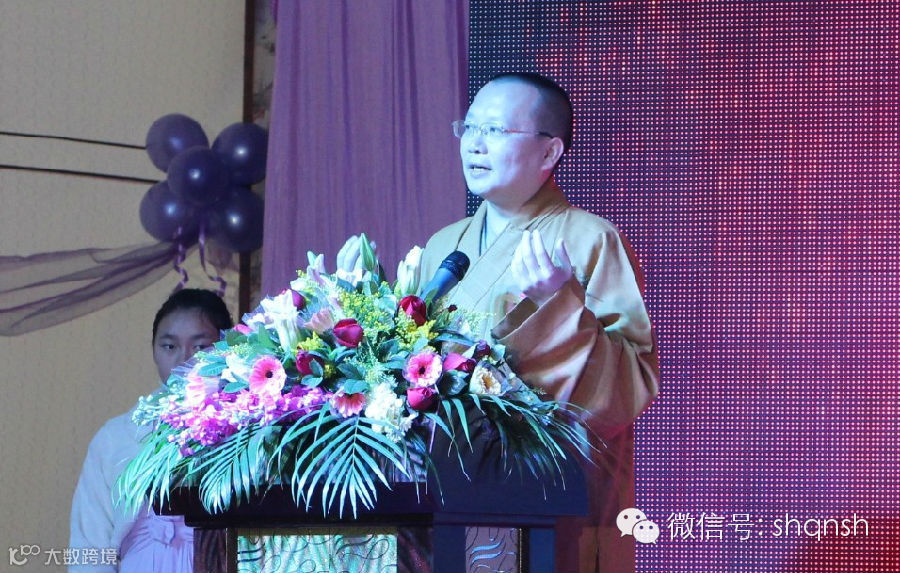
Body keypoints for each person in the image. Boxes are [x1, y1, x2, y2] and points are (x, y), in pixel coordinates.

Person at [416, 72, 660, 573]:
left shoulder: (589, 238)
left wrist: (557, 306)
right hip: (451, 494)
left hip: (554, 498)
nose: (475, 144)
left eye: (496, 130)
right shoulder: (444, 245)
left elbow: (629, 385)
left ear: (549, 152)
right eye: (470, 128)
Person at [69, 289, 233, 573]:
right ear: (154, 350)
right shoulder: (115, 437)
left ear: (226, 349)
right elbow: (89, 547)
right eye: (169, 346)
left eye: (200, 347)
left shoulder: (250, 431)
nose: (183, 361)